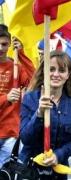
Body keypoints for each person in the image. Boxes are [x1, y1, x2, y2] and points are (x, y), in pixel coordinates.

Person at [19, 50, 71, 180]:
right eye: (51, 69)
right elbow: (25, 139)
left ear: (68, 74)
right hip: (30, 171)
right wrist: (39, 114)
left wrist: (58, 155)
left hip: (58, 173)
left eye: (61, 70)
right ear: (44, 71)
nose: (56, 74)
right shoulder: (30, 99)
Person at [0, 24, 35, 168]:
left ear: (9, 44)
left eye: (4, 44)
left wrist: (21, 54)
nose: (0, 48)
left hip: (11, 132)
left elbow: (35, 80)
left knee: (7, 174)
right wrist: (6, 98)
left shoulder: (16, 67)